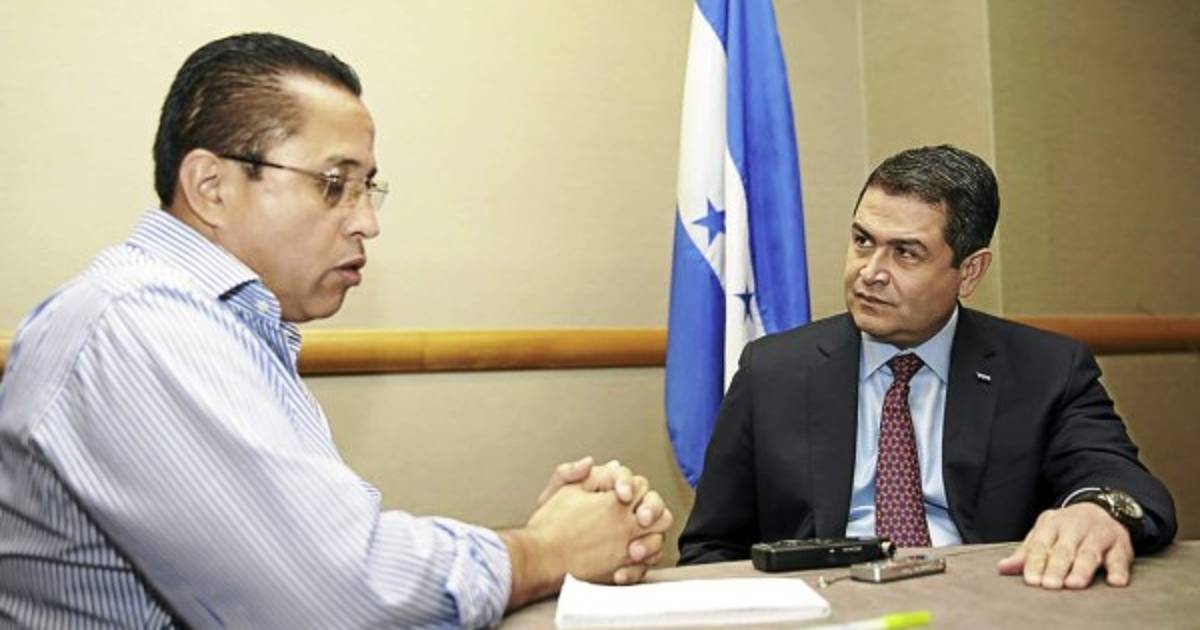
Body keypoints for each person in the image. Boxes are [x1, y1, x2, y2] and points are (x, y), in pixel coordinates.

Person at [0, 33, 671, 628]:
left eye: (366, 187)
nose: (366, 222)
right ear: (210, 186)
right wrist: (546, 550)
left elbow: (332, 551)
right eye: (333, 184)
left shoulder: (214, 322)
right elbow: (338, 602)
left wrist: (541, 543)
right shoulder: (139, 326)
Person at [678, 144, 1176, 590]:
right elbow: (710, 547)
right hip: (827, 605)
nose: (870, 272)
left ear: (970, 271)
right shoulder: (773, 371)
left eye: (905, 253)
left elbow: (1123, 483)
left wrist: (1097, 511)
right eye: (863, 241)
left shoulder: (1046, 370)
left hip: (988, 604)